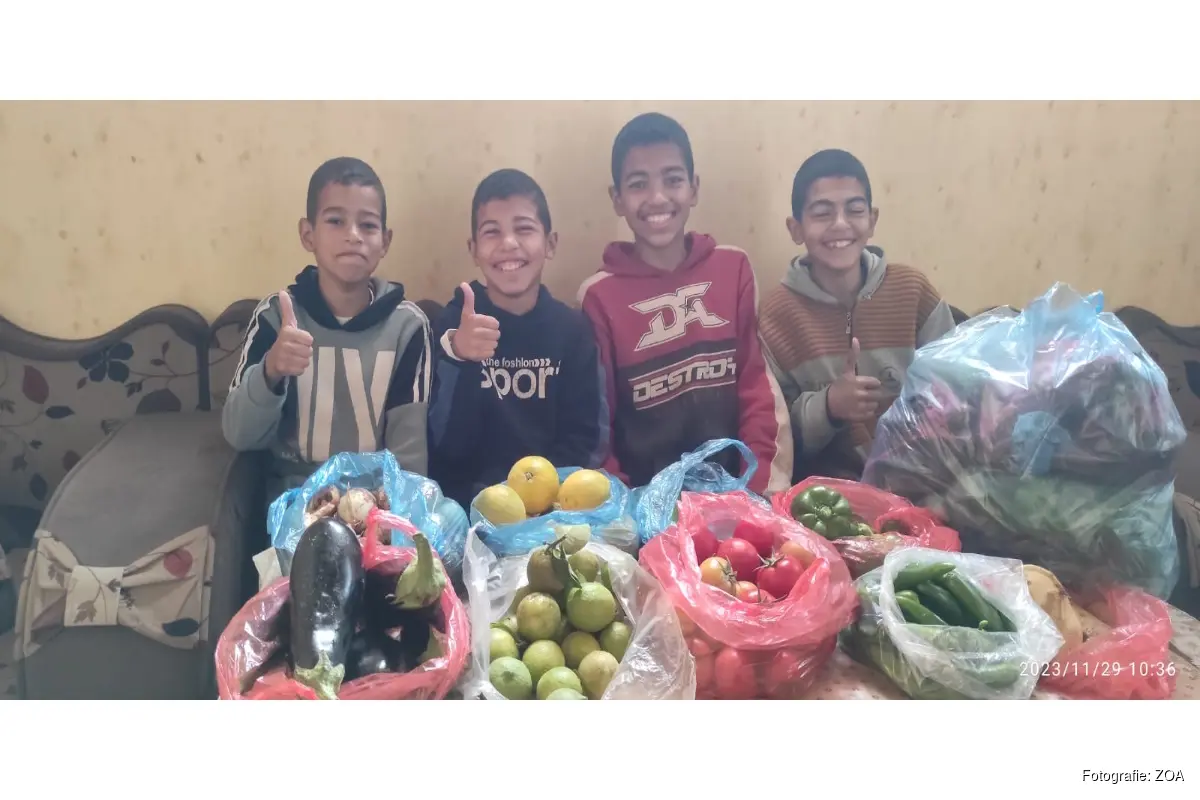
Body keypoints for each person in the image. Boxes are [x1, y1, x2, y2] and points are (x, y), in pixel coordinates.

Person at [577, 112, 792, 497]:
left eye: (673, 180)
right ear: (617, 199)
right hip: (644, 509)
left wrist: (760, 493)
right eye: (638, 184)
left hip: (738, 499)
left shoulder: (733, 268)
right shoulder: (597, 297)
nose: (658, 198)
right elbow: (598, 430)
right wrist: (626, 515)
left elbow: (757, 392)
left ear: (694, 188)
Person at [222, 156, 432, 504]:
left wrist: (394, 519)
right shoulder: (276, 318)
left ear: (385, 241)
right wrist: (272, 370)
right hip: (297, 503)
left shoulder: (408, 327)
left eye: (368, 225)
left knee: (450, 517)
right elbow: (238, 433)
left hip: (376, 505)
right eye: (336, 221)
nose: (353, 236)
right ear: (308, 235)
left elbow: (409, 456)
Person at [759, 148, 955, 481]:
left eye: (854, 210)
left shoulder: (912, 291)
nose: (840, 224)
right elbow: (778, 438)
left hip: (925, 476)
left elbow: (957, 385)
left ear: (872, 220)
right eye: (822, 213)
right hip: (832, 492)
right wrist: (829, 406)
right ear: (796, 229)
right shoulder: (776, 316)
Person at [428, 168, 606, 509]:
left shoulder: (572, 332)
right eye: (492, 232)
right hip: (467, 506)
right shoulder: (453, 326)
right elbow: (444, 445)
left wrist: (544, 501)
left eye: (524, 228)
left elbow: (586, 439)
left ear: (550, 243)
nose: (508, 244)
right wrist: (459, 355)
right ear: (473, 249)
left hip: (554, 506)